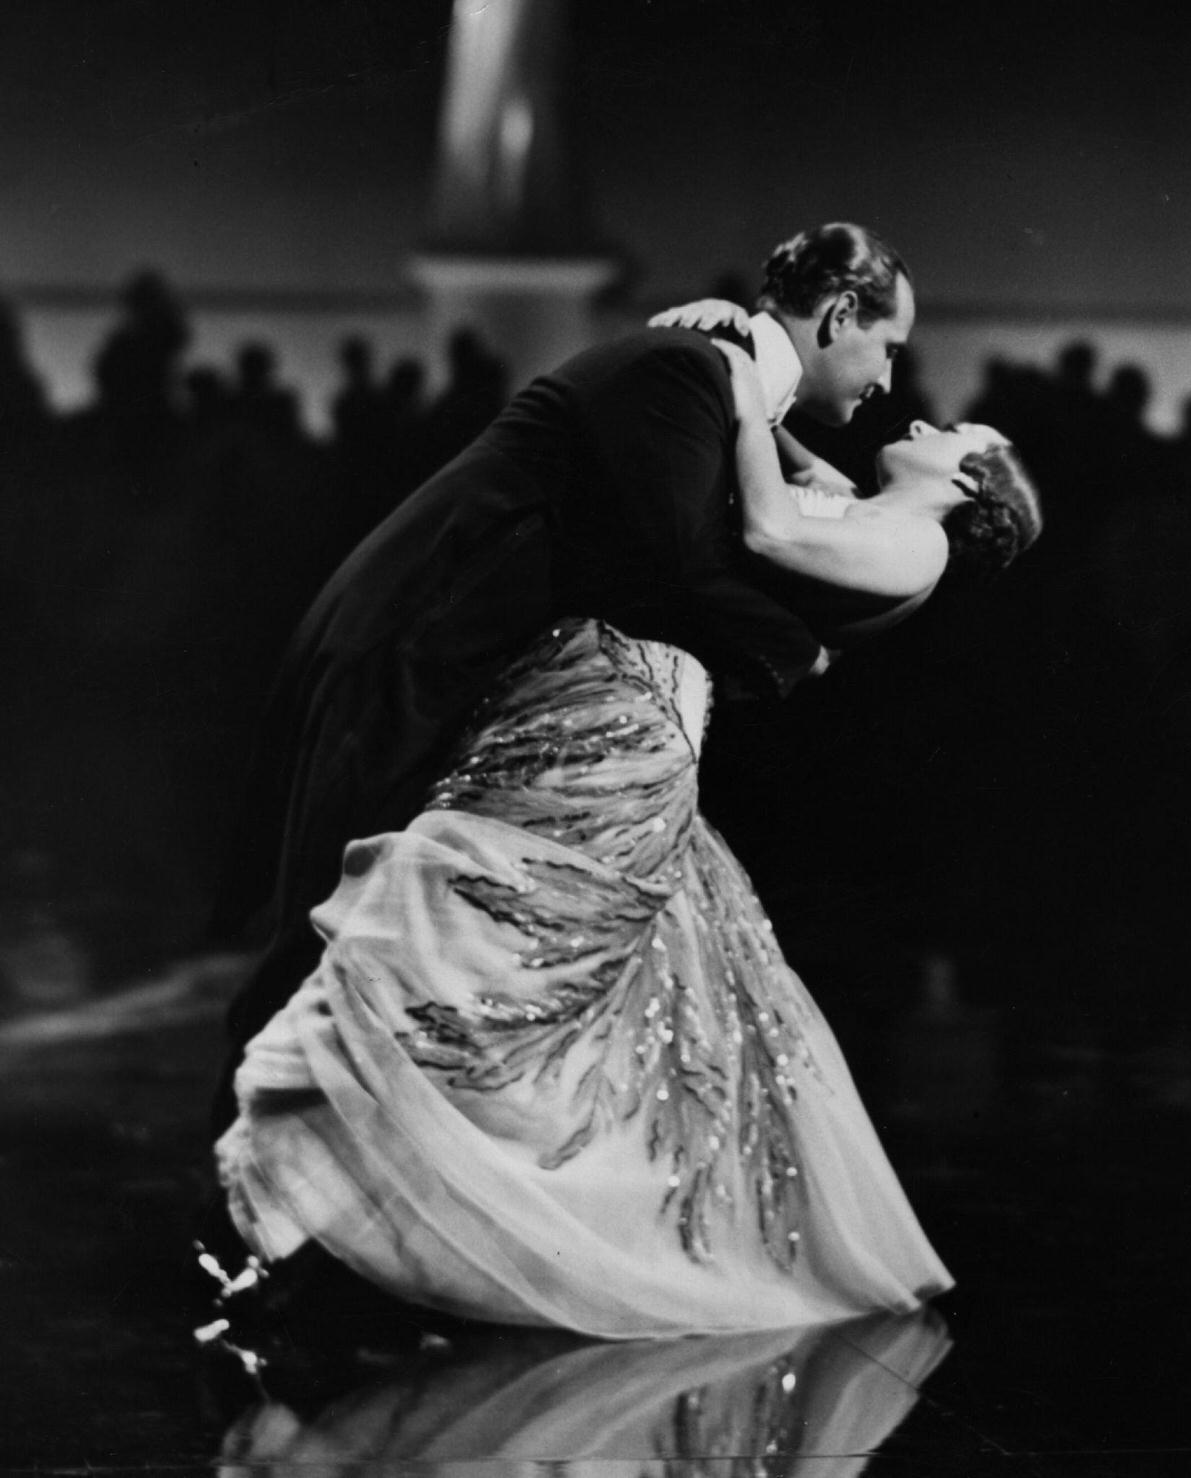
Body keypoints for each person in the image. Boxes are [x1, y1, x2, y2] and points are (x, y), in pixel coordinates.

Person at [210, 339, 1042, 1337]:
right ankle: (359, 1226)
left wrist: (736, 393)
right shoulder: (869, 513)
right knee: (504, 956)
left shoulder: (917, 545)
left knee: (473, 927)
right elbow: (779, 482)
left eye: (948, 433)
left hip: (633, 715)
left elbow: (769, 525)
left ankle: (349, 1224)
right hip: (602, 688)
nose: (916, 419)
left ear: (964, 480)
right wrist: (745, 370)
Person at [211, 223, 915, 1136]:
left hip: (460, 662)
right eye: (888, 349)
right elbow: (678, 566)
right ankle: (237, 1193)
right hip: (416, 647)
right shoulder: (685, 369)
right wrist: (805, 655)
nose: (890, 380)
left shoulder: (715, 376)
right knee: (332, 925)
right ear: (841, 313)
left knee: (388, 934)